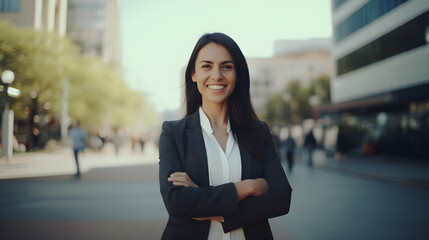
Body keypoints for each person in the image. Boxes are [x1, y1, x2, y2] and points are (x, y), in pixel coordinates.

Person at [159, 33, 292, 240]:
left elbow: (281, 198)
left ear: (237, 75)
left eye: (227, 67)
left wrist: (206, 203)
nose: (217, 75)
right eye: (206, 66)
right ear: (193, 74)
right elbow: (177, 202)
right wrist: (250, 186)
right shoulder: (173, 133)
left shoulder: (259, 133)